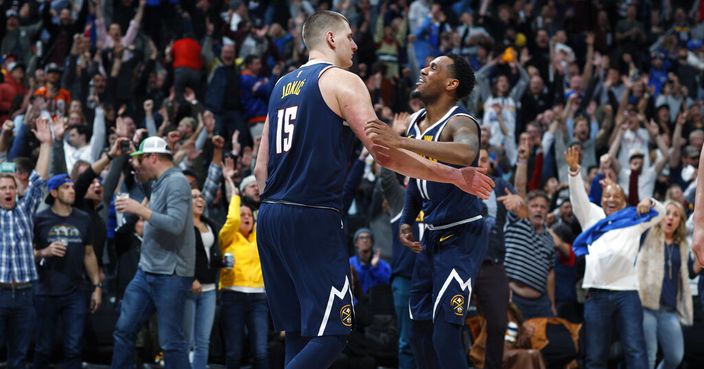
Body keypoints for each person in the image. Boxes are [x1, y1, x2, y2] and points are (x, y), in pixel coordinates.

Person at [253, 11, 493, 369]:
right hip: (313, 215)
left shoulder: (279, 86)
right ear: (331, 39)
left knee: (301, 332)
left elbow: (260, 169)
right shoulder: (344, 81)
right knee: (334, 334)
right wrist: (455, 177)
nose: (355, 43)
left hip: (270, 216)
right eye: (349, 36)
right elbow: (387, 155)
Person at [367, 53, 488, 369]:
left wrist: (402, 143)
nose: (424, 68)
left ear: (451, 83)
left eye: (434, 67)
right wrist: (408, 219)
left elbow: (466, 152)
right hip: (431, 237)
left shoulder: (460, 121)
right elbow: (418, 177)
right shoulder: (418, 123)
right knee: (418, 332)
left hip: (463, 236)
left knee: (445, 335)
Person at [566, 146, 665, 369]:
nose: (611, 199)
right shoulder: (591, 215)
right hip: (597, 292)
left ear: (624, 201)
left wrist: (650, 202)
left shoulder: (634, 218)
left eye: (616, 196)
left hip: (627, 292)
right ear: (601, 199)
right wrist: (574, 172)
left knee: (635, 349)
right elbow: (577, 197)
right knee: (595, 355)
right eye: (607, 195)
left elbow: (662, 213)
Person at [112, 136, 195, 369]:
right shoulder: (159, 180)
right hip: (147, 270)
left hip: (170, 273)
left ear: (153, 157)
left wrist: (140, 209)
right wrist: (136, 168)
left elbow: (176, 224)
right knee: (124, 329)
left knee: (171, 342)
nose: (139, 163)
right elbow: (144, 180)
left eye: (142, 158)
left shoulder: (177, 181)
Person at [32, 173, 102, 369]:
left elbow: (89, 253)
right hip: (45, 289)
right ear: (54, 192)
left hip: (75, 291)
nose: (71, 191)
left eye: (72, 187)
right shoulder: (39, 219)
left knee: (73, 348)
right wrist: (44, 252)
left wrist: (96, 286)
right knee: (43, 348)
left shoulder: (83, 218)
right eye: (66, 187)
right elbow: (27, 253)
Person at [0, 118, 51, 369]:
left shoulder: (25, 208)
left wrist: (47, 145)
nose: (8, 190)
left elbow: (39, 179)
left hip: (24, 293)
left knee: (19, 357)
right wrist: (4, 139)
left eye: (11, 187)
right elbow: (2, 161)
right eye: (2, 187)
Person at [637, 200, 693, 369]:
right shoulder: (647, 235)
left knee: (675, 357)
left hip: (669, 311)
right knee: (649, 356)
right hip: (646, 307)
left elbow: (691, 271)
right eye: (667, 213)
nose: (670, 218)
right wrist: (650, 202)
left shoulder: (682, 245)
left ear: (680, 222)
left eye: (675, 215)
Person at [219, 180, 268, 369]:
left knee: (261, 352)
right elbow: (232, 221)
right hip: (233, 296)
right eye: (242, 214)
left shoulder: (260, 237)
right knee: (234, 352)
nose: (246, 217)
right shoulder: (227, 238)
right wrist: (235, 195)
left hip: (258, 298)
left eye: (249, 215)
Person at [182, 188, 221, 369]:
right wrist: (190, 278)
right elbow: (178, 254)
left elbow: (210, 254)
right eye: (194, 197)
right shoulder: (181, 225)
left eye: (201, 196)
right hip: (188, 288)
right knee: (186, 341)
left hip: (209, 290)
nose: (199, 199)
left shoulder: (210, 223)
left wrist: (221, 263)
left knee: (203, 342)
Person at [348, 228, 391, 295]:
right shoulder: (350, 263)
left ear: (372, 242)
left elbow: (388, 282)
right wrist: (363, 265)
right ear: (356, 243)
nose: (365, 240)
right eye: (361, 238)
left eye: (367, 237)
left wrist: (375, 268)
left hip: (377, 302)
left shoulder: (381, 263)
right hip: (356, 303)